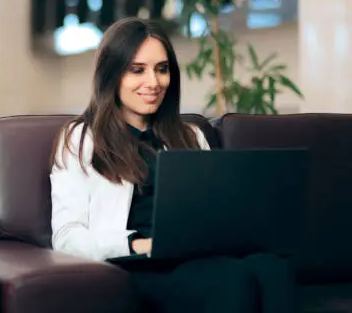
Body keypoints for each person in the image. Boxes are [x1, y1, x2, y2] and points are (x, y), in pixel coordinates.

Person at [49, 17, 297, 313]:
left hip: (195, 256)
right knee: (232, 281)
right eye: (137, 70)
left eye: (162, 69)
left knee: (272, 268)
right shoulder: (80, 139)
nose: (153, 82)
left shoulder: (190, 136)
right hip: (136, 266)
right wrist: (138, 244)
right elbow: (66, 237)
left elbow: (213, 214)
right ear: (112, 74)